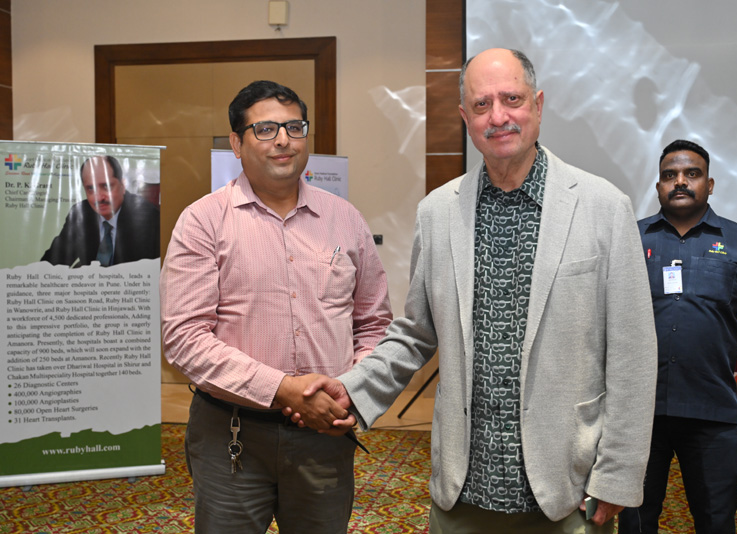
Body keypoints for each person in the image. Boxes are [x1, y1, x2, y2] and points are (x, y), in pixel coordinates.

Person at [297, 48, 658, 532]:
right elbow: (415, 333)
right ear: (466, 118)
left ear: (538, 105)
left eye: (512, 99)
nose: (498, 116)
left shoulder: (604, 207)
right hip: (463, 491)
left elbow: (634, 354)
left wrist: (617, 476)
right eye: (482, 105)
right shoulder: (437, 212)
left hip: (566, 490)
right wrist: (352, 391)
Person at [159, 80, 392, 534]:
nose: (283, 140)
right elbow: (184, 339)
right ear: (237, 144)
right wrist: (281, 388)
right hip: (232, 434)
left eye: (294, 127)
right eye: (265, 129)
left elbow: (374, 323)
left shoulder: (345, 219)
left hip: (325, 435)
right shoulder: (203, 221)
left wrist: (352, 392)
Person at [617, 140, 737, 534]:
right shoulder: (629, 238)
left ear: (709, 185)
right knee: (635, 522)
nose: (680, 182)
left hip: (712, 412)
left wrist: (722, 334)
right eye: (669, 175)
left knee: (715, 522)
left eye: (691, 174)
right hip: (639, 414)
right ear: (658, 186)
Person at [41, 155, 160, 267]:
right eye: (90, 188)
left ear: (122, 186)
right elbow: (52, 262)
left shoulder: (148, 217)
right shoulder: (81, 214)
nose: (99, 198)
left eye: (106, 186)